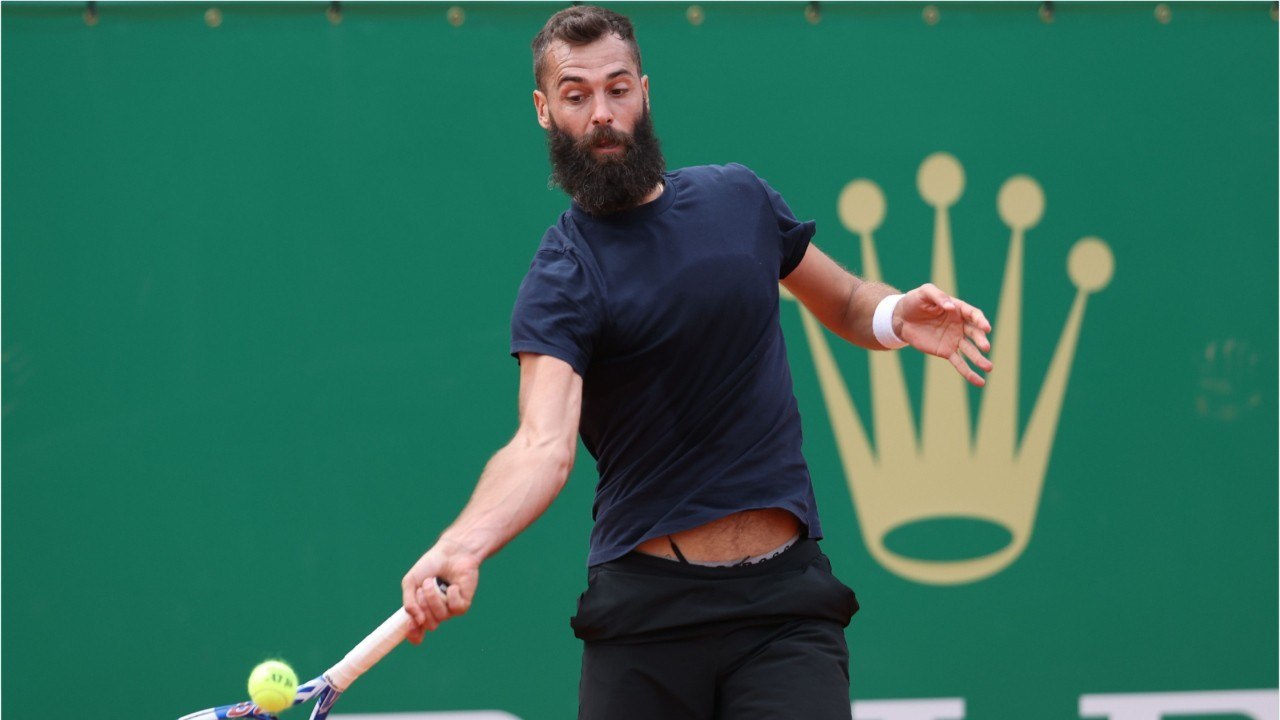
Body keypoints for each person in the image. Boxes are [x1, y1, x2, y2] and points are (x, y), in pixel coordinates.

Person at [400, 6, 993, 719]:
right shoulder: (564, 274)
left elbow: (843, 302)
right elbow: (541, 445)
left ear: (645, 91)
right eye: (577, 95)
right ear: (545, 110)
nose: (603, 116)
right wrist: (462, 545)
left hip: (784, 612)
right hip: (647, 622)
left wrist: (897, 317)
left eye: (618, 88)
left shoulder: (737, 199)